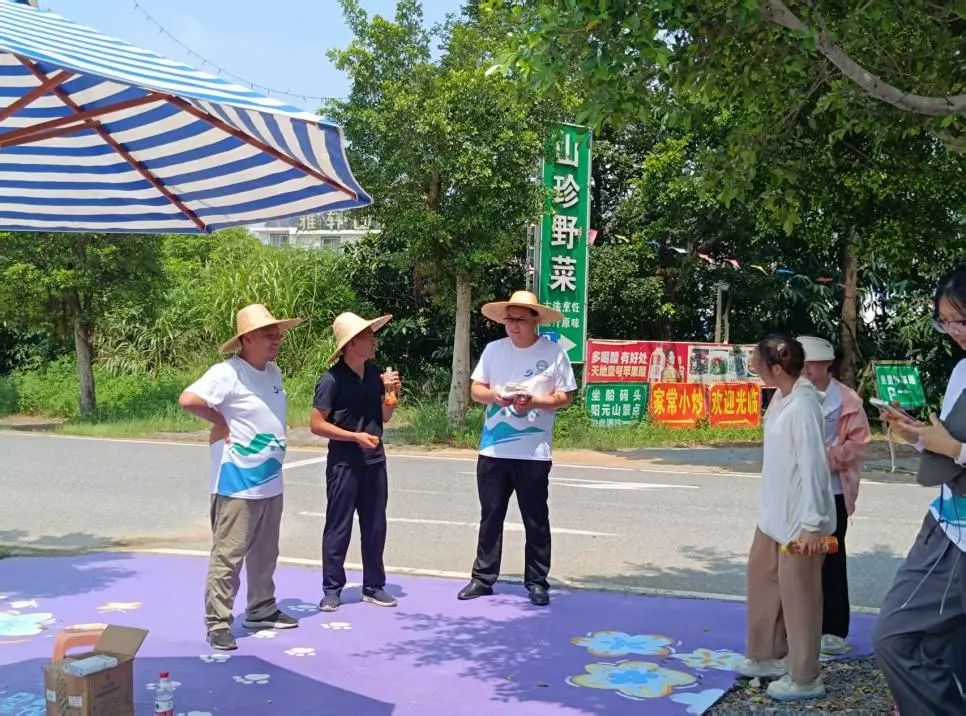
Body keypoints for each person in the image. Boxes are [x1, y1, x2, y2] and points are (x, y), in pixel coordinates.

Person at [179, 304, 303, 651]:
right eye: (268, 335)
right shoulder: (227, 373)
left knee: (266, 553)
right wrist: (219, 421)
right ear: (247, 339)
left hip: (270, 480)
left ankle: (262, 608)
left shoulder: (273, 372)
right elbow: (188, 399)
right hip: (237, 481)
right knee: (229, 555)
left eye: (278, 334)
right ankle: (218, 621)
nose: (276, 340)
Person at [874, 267, 966, 715]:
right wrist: (914, 435)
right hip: (947, 523)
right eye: (944, 322)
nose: (953, 332)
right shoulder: (962, 371)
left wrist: (952, 447)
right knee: (913, 642)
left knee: (899, 637)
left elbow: (954, 448)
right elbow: (947, 446)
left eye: (960, 320)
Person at [457, 291, 577, 607]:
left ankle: (536, 582)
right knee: (491, 516)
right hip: (493, 449)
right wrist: (495, 396)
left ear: (535, 321)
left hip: (533, 452)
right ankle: (482, 578)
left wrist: (535, 401)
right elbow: (476, 389)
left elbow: (566, 396)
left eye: (520, 319)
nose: (513, 325)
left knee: (535, 518)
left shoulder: (554, 353)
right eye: (508, 319)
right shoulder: (494, 350)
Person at [737, 335, 836, 702]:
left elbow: (814, 466)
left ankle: (804, 675)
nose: (754, 369)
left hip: (799, 519)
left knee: (799, 596)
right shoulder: (781, 398)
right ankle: (767, 655)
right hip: (772, 514)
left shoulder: (804, 405)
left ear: (777, 368)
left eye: (758, 364)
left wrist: (812, 524)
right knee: (762, 579)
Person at [311, 311, 401, 612]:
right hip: (344, 463)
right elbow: (316, 424)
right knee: (339, 526)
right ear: (351, 344)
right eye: (367, 336)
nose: (373, 341)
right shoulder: (331, 380)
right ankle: (332, 589)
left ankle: (373, 585)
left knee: (375, 526)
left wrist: (390, 393)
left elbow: (385, 416)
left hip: (375, 461)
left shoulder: (375, 374)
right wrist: (354, 437)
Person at [797, 336, 871, 656]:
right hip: (798, 491)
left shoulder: (847, 400)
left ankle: (834, 630)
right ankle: (798, 626)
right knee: (795, 558)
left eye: (811, 365)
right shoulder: (790, 395)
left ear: (828, 364)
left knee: (832, 558)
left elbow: (859, 443)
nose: (806, 371)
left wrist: (825, 459)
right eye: (801, 365)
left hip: (834, 490)